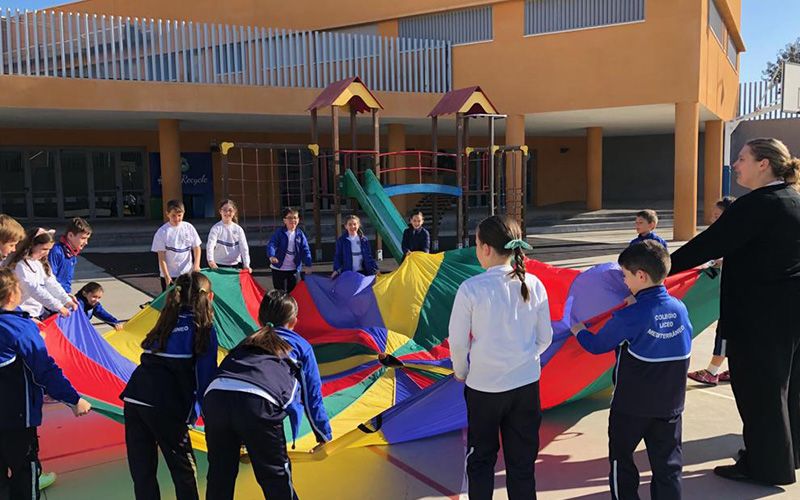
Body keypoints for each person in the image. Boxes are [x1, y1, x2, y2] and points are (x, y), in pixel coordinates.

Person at [669, 137, 800, 485]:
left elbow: (708, 244)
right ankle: (789, 453)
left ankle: (766, 466)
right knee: (789, 386)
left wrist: (658, 267)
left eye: (742, 158)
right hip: (790, 310)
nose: (735, 165)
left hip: (758, 314)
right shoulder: (793, 200)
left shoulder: (756, 204)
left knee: (760, 389)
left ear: (764, 164)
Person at [571, 241, 692, 499]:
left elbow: (598, 345)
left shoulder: (629, 317)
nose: (624, 282)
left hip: (631, 408)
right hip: (670, 406)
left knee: (621, 460)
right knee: (668, 467)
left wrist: (579, 331)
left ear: (641, 276)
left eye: (625, 275)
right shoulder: (680, 309)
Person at [448, 215, 552, 500]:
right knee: (522, 462)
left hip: (485, 388)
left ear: (485, 248)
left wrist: (461, 371)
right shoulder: (534, 283)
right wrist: (524, 358)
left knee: (481, 459)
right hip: (526, 386)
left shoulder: (471, 288)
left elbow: (458, 341)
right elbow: (545, 338)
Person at [204, 289, 331, 500]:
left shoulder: (247, 342)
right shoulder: (300, 345)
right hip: (258, 403)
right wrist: (323, 433)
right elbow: (312, 396)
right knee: (275, 478)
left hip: (216, 399)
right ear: (294, 321)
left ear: (260, 318)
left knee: (220, 475)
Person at [120, 272, 219, 500]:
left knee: (142, 470)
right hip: (164, 406)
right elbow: (205, 380)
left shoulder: (165, 321)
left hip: (135, 399)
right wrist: (213, 422)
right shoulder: (203, 329)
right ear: (210, 297)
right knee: (183, 469)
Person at [0, 268, 92, 499]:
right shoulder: (20, 329)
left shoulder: (20, 325)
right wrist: (73, 399)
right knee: (24, 470)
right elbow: (44, 369)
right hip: (15, 417)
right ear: (11, 295)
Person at [687, 196, 736, 386]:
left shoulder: (735, 236)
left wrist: (721, 261)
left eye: (717, 216)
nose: (712, 220)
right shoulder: (723, 236)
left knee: (725, 332)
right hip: (732, 293)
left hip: (735, 294)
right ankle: (736, 369)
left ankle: (711, 372)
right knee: (736, 334)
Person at [5, 228, 77, 319]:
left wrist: (66, 300)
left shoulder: (40, 263)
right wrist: (58, 306)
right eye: (44, 249)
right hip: (23, 314)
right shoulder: (21, 265)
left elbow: (52, 284)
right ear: (32, 245)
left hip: (37, 313)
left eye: (49, 249)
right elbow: (34, 289)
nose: (47, 253)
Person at [152, 199, 202, 291]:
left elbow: (196, 247)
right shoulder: (162, 232)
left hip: (187, 273)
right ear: (167, 214)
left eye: (179, 215)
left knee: (188, 298)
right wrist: (166, 276)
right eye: (173, 216)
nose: (177, 219)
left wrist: (196, 265)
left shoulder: (189, 228)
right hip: (170, 275)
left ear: (183, 213)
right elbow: (161, 257)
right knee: (171, 299)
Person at [267, 208, 312, 293]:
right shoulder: (279, 233)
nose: (293, 220)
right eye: (290, 218)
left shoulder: (300, 234)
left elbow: (305, 250)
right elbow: (272, 244)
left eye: (295, 217)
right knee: (280, 294)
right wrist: (272, 256)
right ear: (284, 220)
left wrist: (308, 264)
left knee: (293, 293)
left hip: (293, 269)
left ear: (298, 220)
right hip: (279, 269)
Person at [48, 217, 92, 294]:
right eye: (83, 238)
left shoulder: (72, 254)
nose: (86, 242)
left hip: (63, 294)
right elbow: (50, 279)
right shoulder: (56, 251)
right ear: (70, 235)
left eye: (87, 239)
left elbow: (67, 280)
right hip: (54, 295)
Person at [207, 199, 251, 273]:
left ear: (234, 212)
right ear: (220, 211)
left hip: (236, 266)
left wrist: (246, 265)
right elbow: (210, 246)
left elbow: (244, 248)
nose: (227, 212)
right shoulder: (215, 228)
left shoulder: (239, 229)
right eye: (224, 210)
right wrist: (210, 261)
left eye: (230, 210)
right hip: (218, 265)